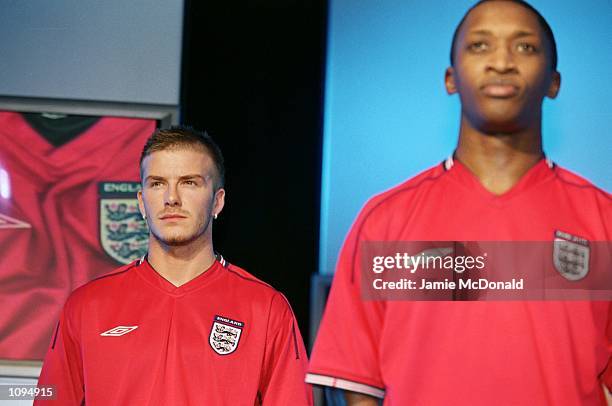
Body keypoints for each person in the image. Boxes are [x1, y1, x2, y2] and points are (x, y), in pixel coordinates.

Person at [306, 0, 611, 405]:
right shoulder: (387, 221)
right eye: (480, 46)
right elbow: (358, 385)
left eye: (525, 48)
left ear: (554, 82)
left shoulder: (602, 220)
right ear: (451, 78)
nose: (502, 62)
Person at [35, 127, 313, 405]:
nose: (171, 198)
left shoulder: (266, 309)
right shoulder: (87, 306)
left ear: (217, 201)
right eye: (157, 183)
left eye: (189, 182)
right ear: (142, 203)